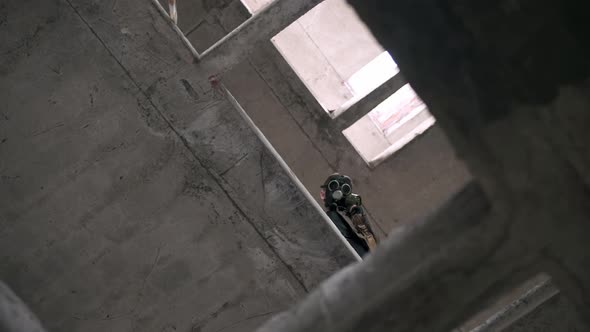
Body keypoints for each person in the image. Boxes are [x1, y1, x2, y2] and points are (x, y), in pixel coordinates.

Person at [320, 173, 377, 258]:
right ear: (322, 194)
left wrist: (357, 215)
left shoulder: (353, 216)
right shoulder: (326, 219)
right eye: (334, 186)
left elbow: (373, 246)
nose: (339, 192)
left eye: (345, 189)